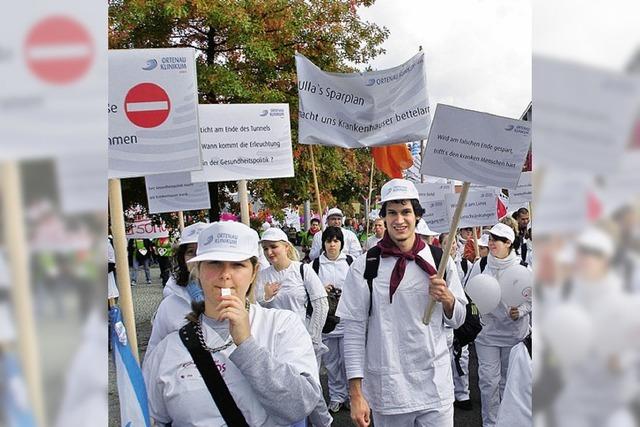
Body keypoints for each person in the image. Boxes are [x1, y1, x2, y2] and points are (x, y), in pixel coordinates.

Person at [143, 221, 322, 426]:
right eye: (214, 263)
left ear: (254, 272)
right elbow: (152, 416)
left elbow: (299, 406)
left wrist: (246, 344)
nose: (225, 274)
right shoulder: (168, 349)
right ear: (197, 270)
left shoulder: (281, 326)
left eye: (238, 264)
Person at [337, 178, 468, 427]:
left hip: (435, 388)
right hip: (389, 392)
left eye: (406, 212)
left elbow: (459, 318)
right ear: (383, 217)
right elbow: (353, 332)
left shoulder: (440, 260)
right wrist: (356, 393)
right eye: (392, 213)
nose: (399, 220)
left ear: (417, 215)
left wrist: (448, 299)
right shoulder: (365, 266)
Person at [256, 227, 332, 427]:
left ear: (286, 247)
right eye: (265, 249)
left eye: (273, 247)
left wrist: (313, 337)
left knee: (310, 389)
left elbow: (321, 303)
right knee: (281, 389)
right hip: (273, 342)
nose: (269, 252)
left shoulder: (302, 270)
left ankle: (324, 423)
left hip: (303, 340)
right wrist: (264, 296)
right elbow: (253, 308)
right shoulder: (262, 276)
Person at [465, 222, 532, 427]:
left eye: (496, 240)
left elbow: (533, 297)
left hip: (514, 334)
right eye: (491, 239)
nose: (492, 243)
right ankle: (490, 422)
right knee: (488, 381)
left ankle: (506, 421)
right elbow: (470, 296)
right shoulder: (481, 264)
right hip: (487, 335)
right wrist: (477, 315)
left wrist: (520, 311)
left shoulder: (523, 268)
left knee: (508, 382)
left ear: (509, 243)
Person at [145, 222, 209, 357]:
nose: (198, 258)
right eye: (191, 252)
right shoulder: (170, 302)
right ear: (182, 258)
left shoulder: (234, 295)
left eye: (204, 249)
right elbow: (154, 355)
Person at [315, 226, 353, 414]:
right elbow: (309, 292)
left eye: (336, 241)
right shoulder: (315, 265)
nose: (332, 245)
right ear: (324, 243)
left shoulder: (351, 262)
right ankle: (337, 395)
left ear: (341, 243)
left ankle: (352, 396)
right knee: (331, 362)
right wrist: (322, 289)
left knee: (349, 361)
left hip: (347, 320)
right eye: (329, 241)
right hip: (327, 322)